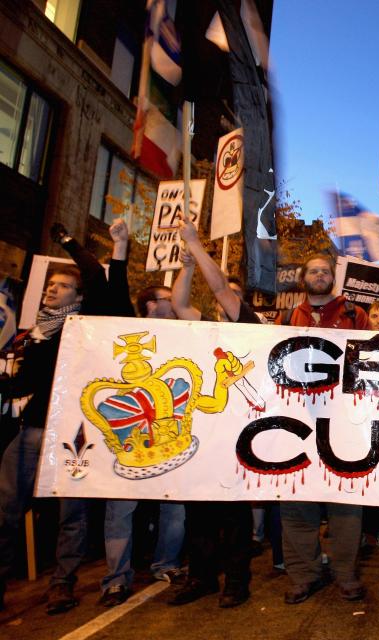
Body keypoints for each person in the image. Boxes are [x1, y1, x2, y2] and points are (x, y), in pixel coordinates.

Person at [0, 220, 126, 613]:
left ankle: (62, 584)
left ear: (79, 294)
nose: (53, 288)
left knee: (71, 514)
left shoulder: (86, 323)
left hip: (73, 433)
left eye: (63, 285)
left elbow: (96, 275)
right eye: (51, 284)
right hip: (35, 429)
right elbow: (26, 386)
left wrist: (70, 242)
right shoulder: (40, 331)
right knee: (5, 511)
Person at [166, 219, 257, 609]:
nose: (222, 302)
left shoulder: (248, 324)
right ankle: (201, 577)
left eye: (231, 298)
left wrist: (195, 244)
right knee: (198, 514)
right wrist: (186, 266)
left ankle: (236, 582)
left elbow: (219, 286)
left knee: (234, 517)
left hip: (235, 435)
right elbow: (179, 305)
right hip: (202, 431)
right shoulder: (204, 330)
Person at [99, 224, 188, 607]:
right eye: (168, 298)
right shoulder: (129, 330)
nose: (174, 302)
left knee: (175, 508)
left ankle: (165, 563)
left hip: (173, 439)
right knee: (120, 508)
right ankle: (116, 578)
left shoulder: (186, 334)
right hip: (130, 439)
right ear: (151, 305)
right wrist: (120, 247)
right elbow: (116, 293)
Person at [277, 253, 369, 604]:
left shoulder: (353, 315)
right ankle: (304, 575)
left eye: (325, 271)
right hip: (296, 422)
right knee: (297, 502)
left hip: (343, 422)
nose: (319, 275)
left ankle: (346, 575)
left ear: (334, 278)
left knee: (345, 505)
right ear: (304, 277)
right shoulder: (288, 317)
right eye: (313, 270)